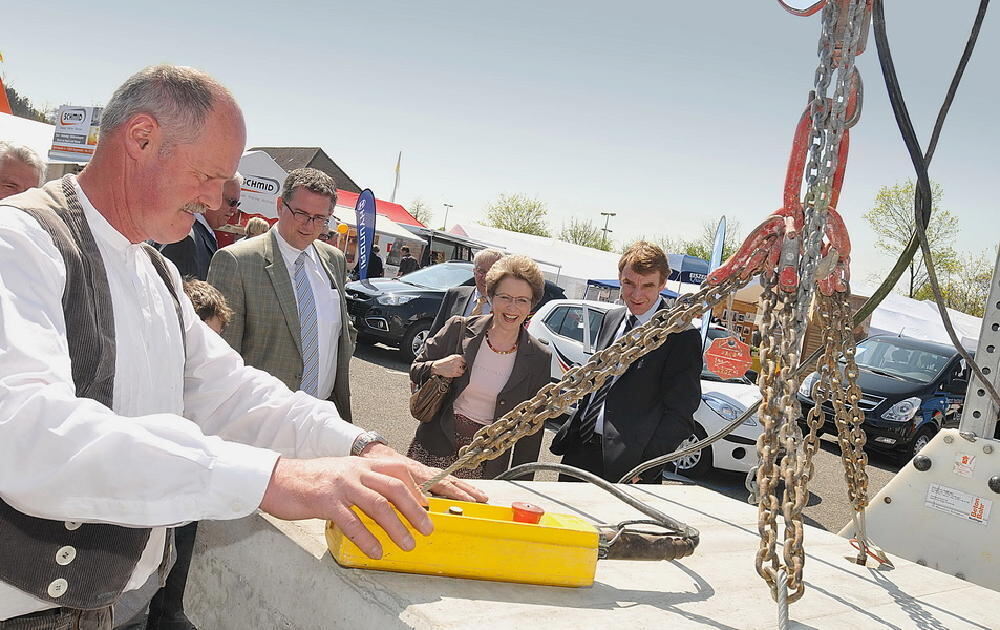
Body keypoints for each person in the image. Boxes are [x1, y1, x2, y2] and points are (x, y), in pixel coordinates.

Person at [0, 64, 483, 629]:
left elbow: (233, 393)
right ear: (141, 138)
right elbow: (25, 428)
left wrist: (362, 447)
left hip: (113, 602)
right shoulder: (20, 242)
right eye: (207, 176)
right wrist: (270, 478)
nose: (213, 200)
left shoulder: (154, 270)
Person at [208, 168, 356, 421]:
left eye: (320, 218)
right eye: (301, 213)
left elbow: (339, 332)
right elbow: (220, 357)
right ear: (280, 205)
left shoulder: (334, 260)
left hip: (322, 416)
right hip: (260, 421)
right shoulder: (237, 262)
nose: (309, 225)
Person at [550, 241, 702, 483]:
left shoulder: (680, 336)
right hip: (579, 450)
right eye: (628, 283)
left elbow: (681, 413)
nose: (636, 294)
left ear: (662, 284)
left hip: (628, 467)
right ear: (620, 278)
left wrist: (647, 466)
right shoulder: (612, 318)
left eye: (648, 286)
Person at [407, 255, 551, 480]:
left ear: (532, 305)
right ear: (491, 296)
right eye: (505, 297)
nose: (512, 307)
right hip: (433, 449)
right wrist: (437, 367)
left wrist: (522, 485)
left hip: (485, 463)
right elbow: (416, 368)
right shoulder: (458, 329)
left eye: (522, 300)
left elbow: (531, 430)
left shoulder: (539, 358)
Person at [157, 174, 241, 280]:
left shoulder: (199, 234)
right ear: (212, 196)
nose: (235, 210)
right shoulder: (185, 237)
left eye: (237, 204)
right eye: (232, 202)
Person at [429, 248, 504, 337]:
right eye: (481, 271)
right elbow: (434, 333)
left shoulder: (506, 305)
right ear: (474, 271)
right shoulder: (454, 295)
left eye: (491, 273)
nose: (485, 277)